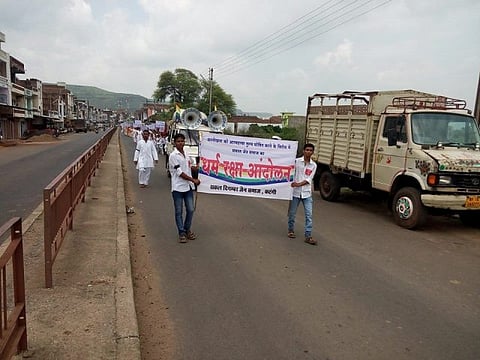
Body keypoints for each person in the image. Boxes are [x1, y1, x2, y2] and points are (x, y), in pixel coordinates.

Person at [169, 133, 201, 243]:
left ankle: (187, 229)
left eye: (182, 141)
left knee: (191, 209)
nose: (180, 143)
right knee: (179, 211)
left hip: (188, 187)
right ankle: (181, 232)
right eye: (178, 141)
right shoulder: (173, 156)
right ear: (174, 142)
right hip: (178, 187)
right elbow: (180, 173)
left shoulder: (186, 153)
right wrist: (193, 180)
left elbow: (191, 165)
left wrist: (200, 169)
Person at [287, 143, 318, 245]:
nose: (308, 152)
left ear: (313, 152)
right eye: (307, 150)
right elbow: (289, 171)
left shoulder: (313, 165)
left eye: (310, 150)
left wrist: (298, 184)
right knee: (292, 213)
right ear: (303, 151)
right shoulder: (296, 162)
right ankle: (290, 230)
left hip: (306, 193)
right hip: (295, 193)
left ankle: (308, 236)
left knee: (309, 215)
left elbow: (309, 179)